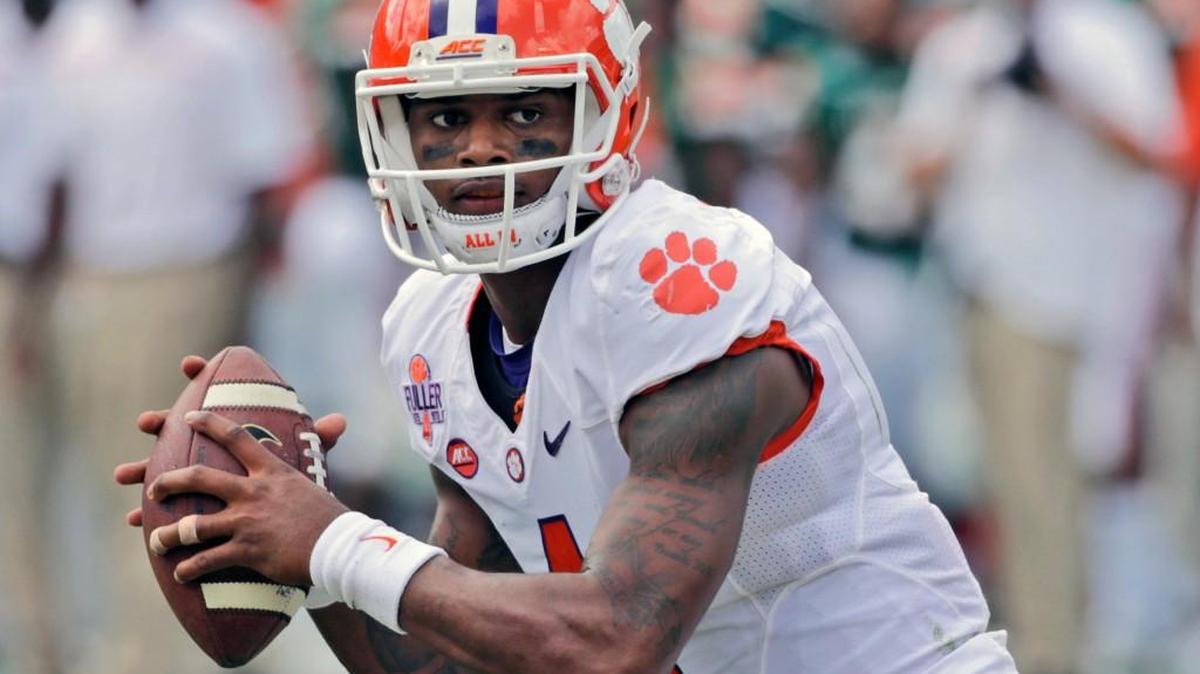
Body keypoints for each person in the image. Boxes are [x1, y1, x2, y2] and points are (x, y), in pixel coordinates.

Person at [116, 1, 1017, 672]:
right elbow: (442, 658)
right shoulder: (430, 325)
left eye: (523, 112)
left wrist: (333, 544)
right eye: (444, 117)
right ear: (390, 128)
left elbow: (618, 636)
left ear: (607, 115)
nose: (479, 150)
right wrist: (288, 533)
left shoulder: (683, 273)